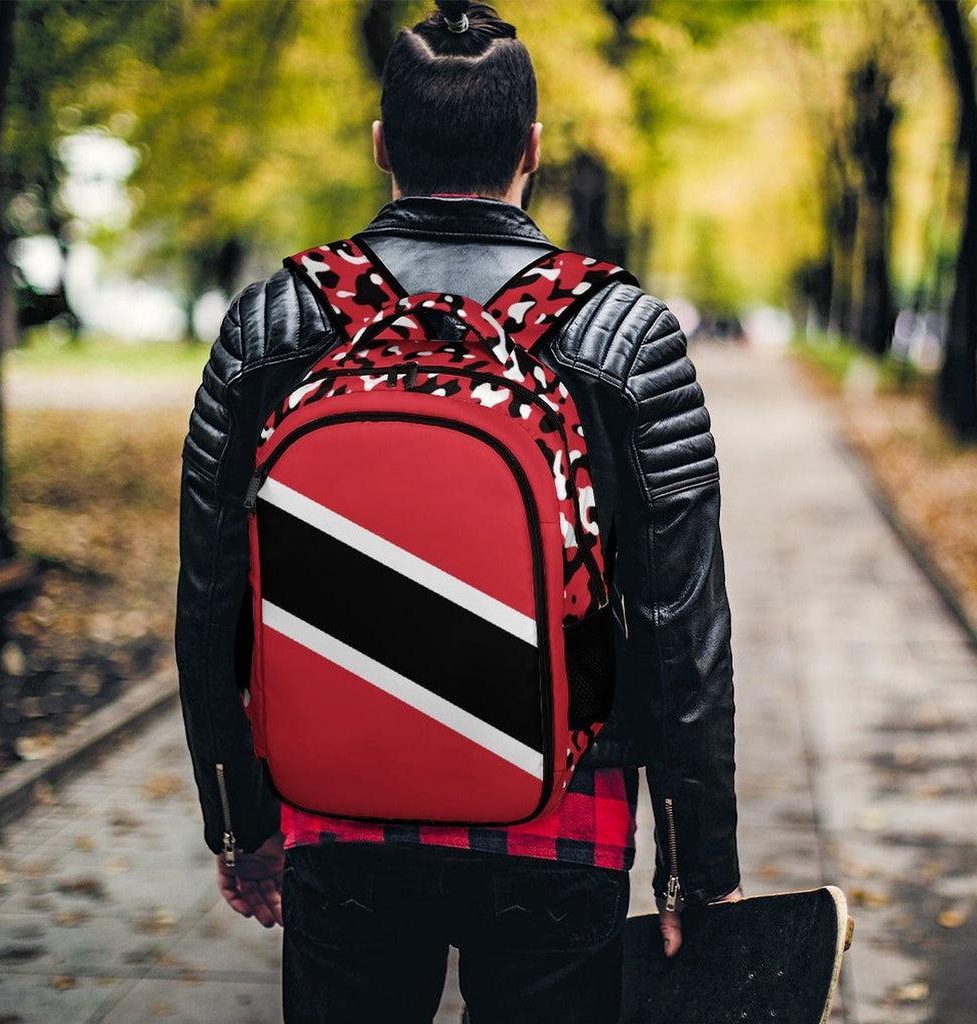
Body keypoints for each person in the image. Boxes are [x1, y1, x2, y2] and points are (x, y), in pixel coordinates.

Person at [176, 3, 740, 1021]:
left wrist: (239, 821)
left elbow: (213, 593)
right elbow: (681, 625)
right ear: (532, 148)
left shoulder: (275, 324)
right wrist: (699, 873)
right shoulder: (624, 337)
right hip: (564, 813)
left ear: (382, 143)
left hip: (337, 812)